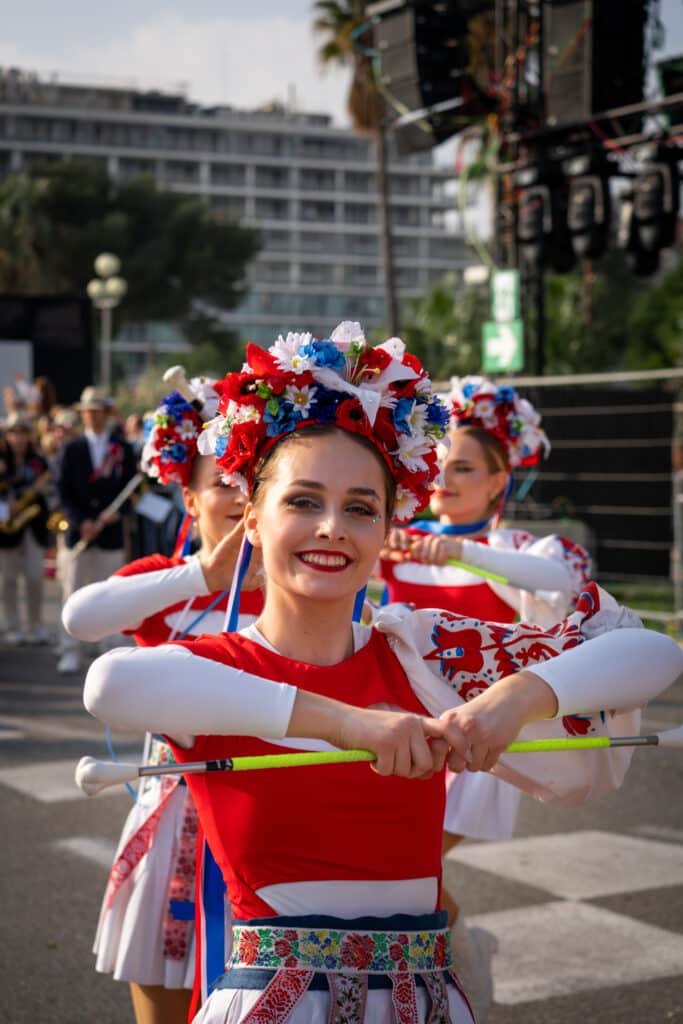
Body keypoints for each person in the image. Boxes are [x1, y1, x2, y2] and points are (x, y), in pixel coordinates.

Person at [83, 323, 683, 1024]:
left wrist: (511, 700)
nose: (333, 526)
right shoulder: (216, 666)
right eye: (303, 501)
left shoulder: (417, 649)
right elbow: (112, 686)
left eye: (360, 508)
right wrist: (349, 723)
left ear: (385, 526)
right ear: (250, 521)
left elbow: (648, 652)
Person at [64, 372, 264, 1024]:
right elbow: (81, 619)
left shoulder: (308, 593)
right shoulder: (164, 585)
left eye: (250, 480)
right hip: (173, 819)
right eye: (220, 482)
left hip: (269, 822)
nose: (237, 495)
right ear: (186, 494)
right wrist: (201, 575)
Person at [377, 378, 593, 935]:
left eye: (465, 469)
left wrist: (462, 552)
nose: (445, 480)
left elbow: (561, 582)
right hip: (400, 726)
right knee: (394, 868)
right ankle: (444, 952)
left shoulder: (516, 551)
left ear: (499, 480)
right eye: (440, 465)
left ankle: (445, 964)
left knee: (401, 858)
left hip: (475, 738)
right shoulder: (390, 542)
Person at [56, 386, 138, 674]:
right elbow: (62, 492)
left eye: (97, 412)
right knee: (73, 592)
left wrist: (118, 515)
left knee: (110, 594)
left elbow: (132, 491)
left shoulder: (123, 448)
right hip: (80, 533)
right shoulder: (71, 448)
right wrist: (82, 521)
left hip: (110, 534)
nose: (92, 417)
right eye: (87, 412)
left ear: (106, 413)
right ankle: (70, 650)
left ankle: (109, 649)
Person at [0, 411, 50, 644]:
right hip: (6, 528)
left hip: (33, 527)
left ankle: (35, 624)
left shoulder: (39, 462)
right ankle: (12, 626)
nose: (18, 439)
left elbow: (52, 490)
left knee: (34, 577)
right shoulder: (2, 461)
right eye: (14, 434)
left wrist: (41, 492)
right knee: (8, 579)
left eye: (23, 434)